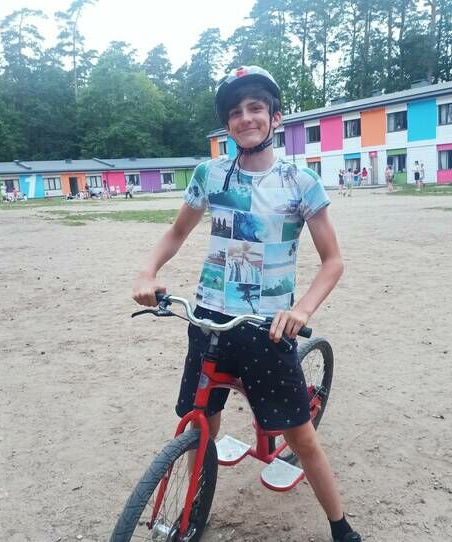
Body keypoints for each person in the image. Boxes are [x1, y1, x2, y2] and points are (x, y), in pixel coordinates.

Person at [132, 65, 361, 542]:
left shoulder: (300, 181)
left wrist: (301, 311)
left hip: (267, 328)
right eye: (235, 112)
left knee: (300, 437)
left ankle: (341, 527)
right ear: (228, 124)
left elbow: (333, 261)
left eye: (256, 107)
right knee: (201, 425)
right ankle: (193, 508)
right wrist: (147, 272)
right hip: (209, 320)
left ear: (275, 117)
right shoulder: (210, 174)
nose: (245, 118)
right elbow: (177, 231)